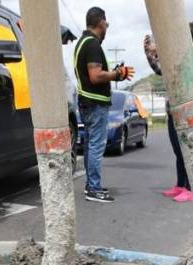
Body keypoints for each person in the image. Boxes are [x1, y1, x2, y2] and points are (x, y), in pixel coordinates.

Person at [74, 6, 134, 204]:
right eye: (106, 23)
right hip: (95, 104)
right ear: (101, 22)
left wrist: (115, 72)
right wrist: (118, 74)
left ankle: (91, 185)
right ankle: (94, 188)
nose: (107, 27)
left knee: (91, 145)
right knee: (97, 147)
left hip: (87, 102)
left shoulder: (83, 42)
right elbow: (95, 75)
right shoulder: (92, 45)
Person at [144, 22, 193, 203]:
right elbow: (162, 70)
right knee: (178, 151)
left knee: (186, 151)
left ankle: (189, 187)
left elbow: (179, 72)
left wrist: (160, 51)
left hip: (188, 115)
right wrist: (150, 55)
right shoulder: (183, 56)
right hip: (174, 112)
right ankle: (180, 185)